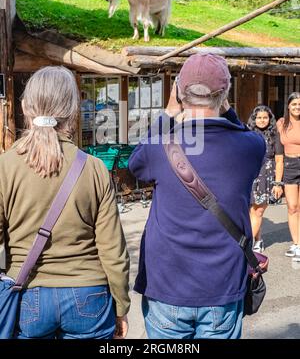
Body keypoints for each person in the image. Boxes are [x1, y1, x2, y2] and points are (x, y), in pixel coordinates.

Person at [129, 53, 266, 339]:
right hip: (223, 285)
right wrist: (226, 109)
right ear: (225, 94)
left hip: (166, 283)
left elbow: (135, 164)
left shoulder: (159, 147)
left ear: (179, 92)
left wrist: (167, 114)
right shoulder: (250, 147)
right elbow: (241, 129)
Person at [0, 66, 130, 339]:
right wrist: (121, 306)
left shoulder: (5, 166)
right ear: (72, 112)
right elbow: (112, 250)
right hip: (90, 296)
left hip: (28, 296)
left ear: (25, 106)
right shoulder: (94, 169)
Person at [247, 106, 284, 253]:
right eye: (259, 117)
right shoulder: (247, 134)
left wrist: (277, 183)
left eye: (265, 117)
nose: (262, 120)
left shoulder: (275, 135)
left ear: (270, 119)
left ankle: (246, 245)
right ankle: (258, 240)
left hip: (267, 176)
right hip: (250, 175)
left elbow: (279, 160)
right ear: (254, 119)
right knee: (252, 211)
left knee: (259, 211)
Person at [277, 92, 300, 261]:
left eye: (299, 104)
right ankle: (296, 244)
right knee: (292, 206)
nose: (297, 107)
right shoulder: (281, 123)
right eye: (294, 104)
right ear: (288, 106)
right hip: (289, 166)